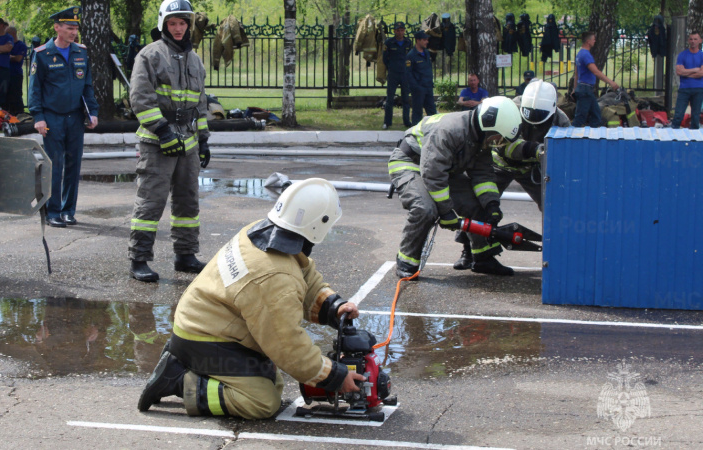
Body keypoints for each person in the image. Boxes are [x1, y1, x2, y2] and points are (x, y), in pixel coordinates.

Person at [137, 178, 365, 419]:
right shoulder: (274, 276)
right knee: (262, 402)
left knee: (271, 380)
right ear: (320, 224)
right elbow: (287, 344)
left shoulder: (263, 232)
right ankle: (180, 380)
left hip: (205, 322)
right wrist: (335, 376)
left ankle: (189, 365)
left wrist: (332, 305)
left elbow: (303, 271)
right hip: (204, 338)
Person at [388, 97, 522, 278]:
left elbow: (483, 174)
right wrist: (446, 212)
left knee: (476, 205)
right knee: (425, 209)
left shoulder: (481, 136)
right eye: (499, 137)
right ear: (489, 126)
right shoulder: (450, 130)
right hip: (410, 162)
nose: (498, 142)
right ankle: (407, 263)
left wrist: (491, 204)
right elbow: (432, 174)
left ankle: (483, 258)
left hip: (441, 170)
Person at [127, 0, 211, 282]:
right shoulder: (149, 56)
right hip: (157, 143)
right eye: (173, 23)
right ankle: (139, 259)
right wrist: (162, 131)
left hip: (187, 142)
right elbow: (140, 98)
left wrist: (204, 140)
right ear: (164, 24)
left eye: (183, 23)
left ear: (189, 25)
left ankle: (185, 255)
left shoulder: (195, 59)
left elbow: (199, 103)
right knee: (150, 203)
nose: (178, 28)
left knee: (188, 204)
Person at [452, 80, 570, 270]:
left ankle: (557, 253)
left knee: (554, 206)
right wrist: (533, 149)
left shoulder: (561, 121)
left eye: (539, 116)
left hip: (533, 170)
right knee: (478, 204)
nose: (533, 119)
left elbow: (565, 151)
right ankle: (468, 251)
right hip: (500, 164)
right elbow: (505, 144)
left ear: (553, 108)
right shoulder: (509, 108)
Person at [29, 6, 99, 228]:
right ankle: (53, 211)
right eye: (69, 28)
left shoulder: (81, 52)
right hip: (52, 118)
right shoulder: (42, 54)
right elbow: (35, 89)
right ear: (57, 28)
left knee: (73, 164)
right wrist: (38, 117)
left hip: (75, 118)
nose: (74, 32)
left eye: (76, 28)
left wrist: (93, 112)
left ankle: (69, 210)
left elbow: (87, 85)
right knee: (54, 164)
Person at [572, 31, 619, 127]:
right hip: (585, 90)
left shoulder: (579, 54)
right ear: (588, 41)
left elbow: (576, 74)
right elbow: (596, 71)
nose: (595, 41)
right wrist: (611, 82)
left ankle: (593, 137)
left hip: (585, 89)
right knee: (580, 118)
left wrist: (575, 88)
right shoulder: (586, 55)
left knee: (596, 116)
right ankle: (570, 139)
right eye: (593, 39)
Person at [381, 22, 412, 129]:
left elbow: (410, 58)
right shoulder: (389, 42)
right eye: (398, 30)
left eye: (402, 30)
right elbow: (385, 58)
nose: (400, 32)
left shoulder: (408, 42)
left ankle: (407, 122)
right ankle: (387, 122)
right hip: (393, 74)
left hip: (405, 74)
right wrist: (391, 67)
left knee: (405, 99)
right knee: (390, 99)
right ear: (394, 31)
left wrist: (408, 68)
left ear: (404, 31)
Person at [671, 31, 703, 129]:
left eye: (695, 39)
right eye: (691, 39)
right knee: (678, 114)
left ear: (700, 41)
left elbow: (701, 73)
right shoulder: (682, 55)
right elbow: (679, 72)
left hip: (698, 89)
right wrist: (694, 70)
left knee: (695, 115)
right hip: (684, 88)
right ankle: (673, 136)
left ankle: (694, 138)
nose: (693, 41)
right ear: (688, 41)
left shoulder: (701, 55)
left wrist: (686, 73)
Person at [405, 30, 437, 125]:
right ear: (418, 40)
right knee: (417, 112)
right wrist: (416, 87)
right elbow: (408, 73)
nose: (426, 42)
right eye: (424, 40)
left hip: (428, 86)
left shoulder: (426, 53)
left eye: (427, 40)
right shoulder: (411, 55)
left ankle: (433, 130)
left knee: (432, 111)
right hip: (419, 88)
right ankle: (415, 131)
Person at [6, 26, 27, 114]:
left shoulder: (21, 45)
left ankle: (19, 114)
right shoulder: (6, 45)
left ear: (13, 34)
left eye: (7, 33)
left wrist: (6, 56)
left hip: (16, 74)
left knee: (17, 95)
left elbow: (18, 58)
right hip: (6, 74)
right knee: (6, 96)